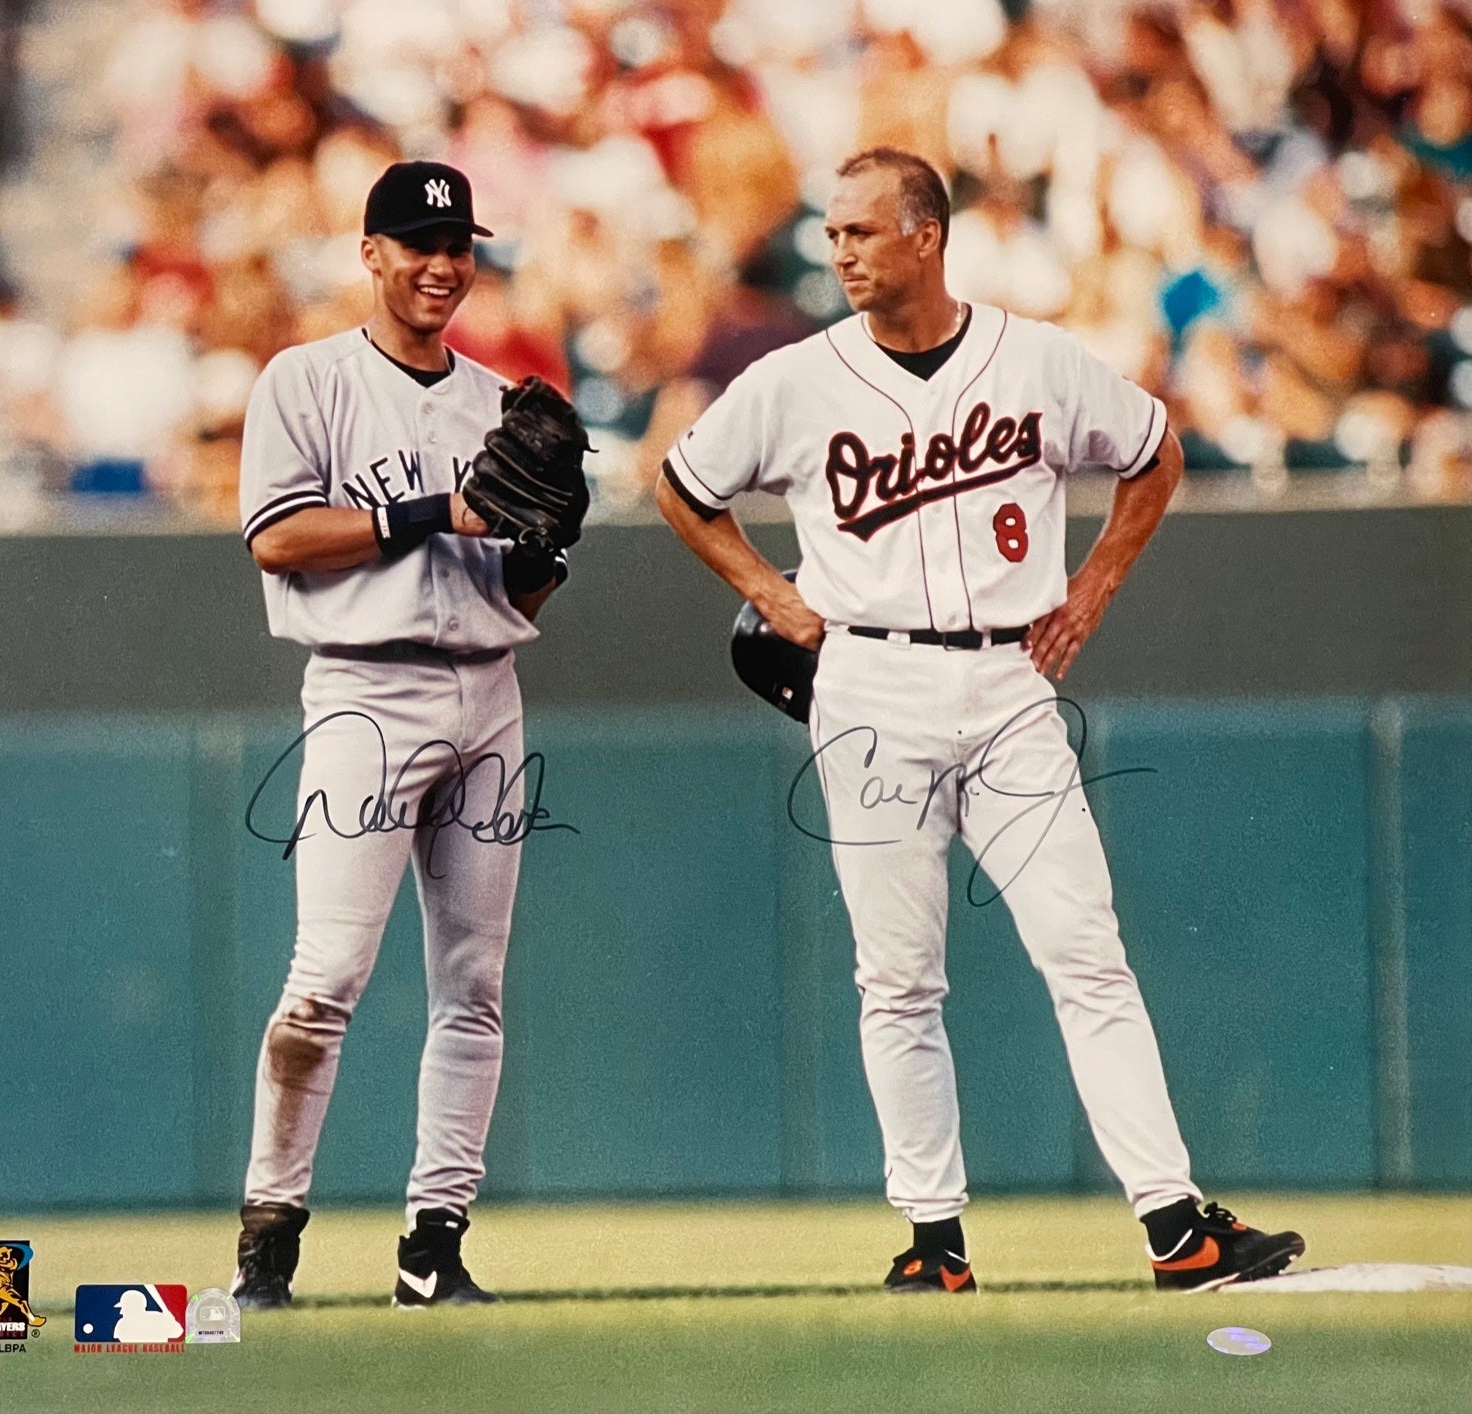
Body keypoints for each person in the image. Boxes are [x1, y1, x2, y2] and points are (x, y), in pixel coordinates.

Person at [655, 146, 1305, 1294]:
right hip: (868, 681)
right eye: (833, 233)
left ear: (926, 234)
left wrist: (1094, 584)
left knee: (1084, 950)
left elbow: (1153, 454)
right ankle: (932, 1240)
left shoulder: (1034, 359)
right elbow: (683, 484)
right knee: (896, 978)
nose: (840, 250)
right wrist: (764, 587)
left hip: (1008, 687)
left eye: (861, 230)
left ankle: (1172, 1224)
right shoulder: (799, 378)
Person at [232, 161, 568, 1310]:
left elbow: (520, 590)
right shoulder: (306, 379)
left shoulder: (494, 399)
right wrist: (433, 510)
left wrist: (546, 551)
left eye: (457, 243)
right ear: (370, 252)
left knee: (473, 985)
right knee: (323, 977)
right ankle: (269, 1227)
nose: (440, 263)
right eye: (417, 241)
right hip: (366, 694)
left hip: (488, 689)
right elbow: (276, 538)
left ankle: (435, 1241)